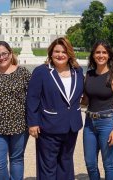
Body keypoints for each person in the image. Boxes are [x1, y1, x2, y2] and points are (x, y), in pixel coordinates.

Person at [27, 37, 84, 180]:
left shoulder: (77, 71)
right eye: (57, 51)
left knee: (66, 162)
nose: (60, 55)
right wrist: (33, 123)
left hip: (71, 126)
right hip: (49, 126)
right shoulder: (42, 71)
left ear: (69, 53)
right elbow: (32, 98)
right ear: (51, 53)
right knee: (48, 165)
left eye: (64, 52)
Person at [0, 41, 31, 180]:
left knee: (17, 160)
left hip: (19, 126)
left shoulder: (22, 72)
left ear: (10, 54)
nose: (2, 57)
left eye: (4, 54)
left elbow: (34, 97)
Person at [82, 40, 113, 180]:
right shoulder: (89, 75)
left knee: (108, 164)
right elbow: (85, 101)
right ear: (93, 55)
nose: (101, 55)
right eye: (98, 52)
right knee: (90, 163)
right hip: (89, 123)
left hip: (107, 122)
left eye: (104, 52)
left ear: (109, 55)